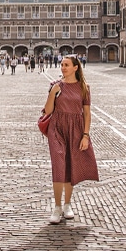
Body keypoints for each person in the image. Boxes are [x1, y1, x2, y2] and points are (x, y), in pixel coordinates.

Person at [41, 55, 99, 224]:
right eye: (62, 65)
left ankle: (67, 205)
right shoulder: (56, 86)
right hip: (57, 128)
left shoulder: (84, 88)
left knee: (70, 166)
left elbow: (87, 113)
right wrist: (53, 93)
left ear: (75, 68)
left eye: (66, 65)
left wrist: (85, 135)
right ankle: (57, 207)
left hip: (75, 129)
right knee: (59, 165)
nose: (63, 68)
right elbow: (48, 110)